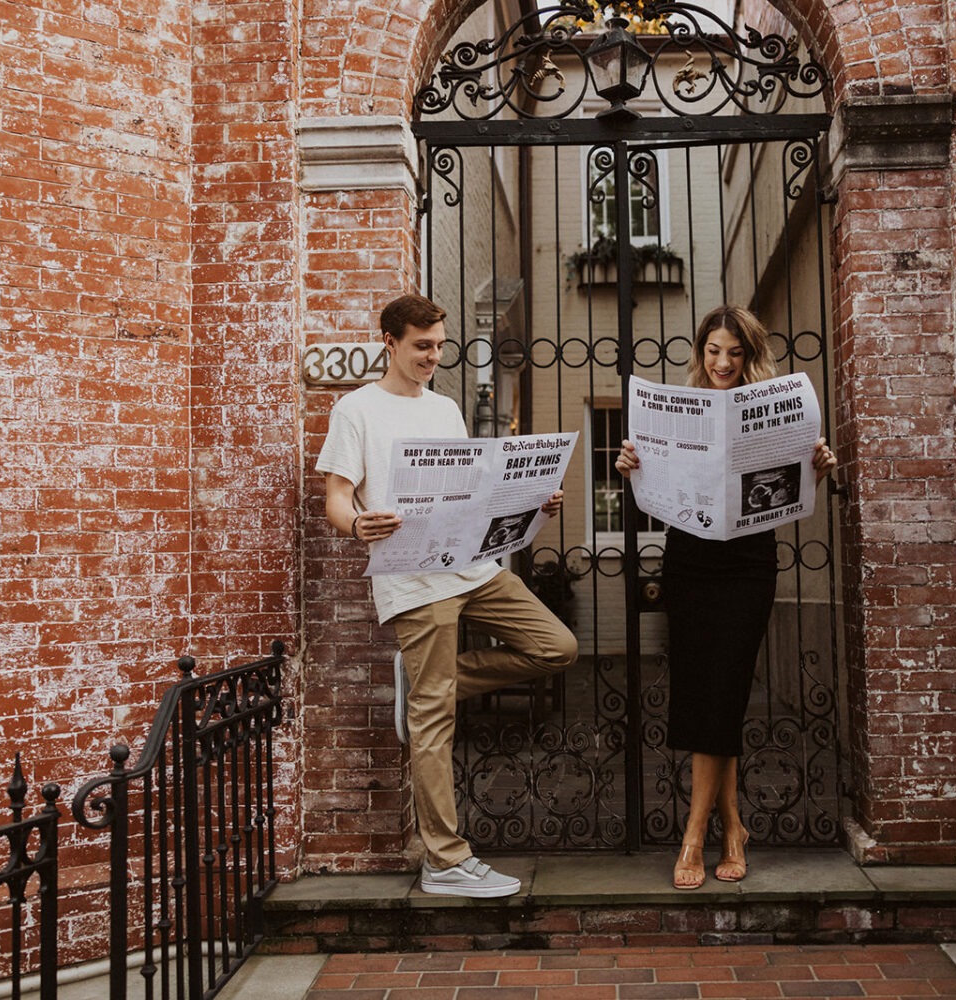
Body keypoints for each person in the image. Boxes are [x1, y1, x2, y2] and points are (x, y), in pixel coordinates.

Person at [317, 293, 578, 898]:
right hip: (412, 577)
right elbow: (335, 497)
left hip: (474, 567)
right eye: (422, 346)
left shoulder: (446, 410)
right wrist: (356, 524)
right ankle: (445, 861)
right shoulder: (357, 411)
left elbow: (471, 496)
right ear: (390, 341)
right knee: (436, 720)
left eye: (439, 346)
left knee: (556, 648)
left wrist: (529, 503)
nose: (434, 356)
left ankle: (425, 684)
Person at [615, 305, 835, 890]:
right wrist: (630, 467)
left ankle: (693, 833)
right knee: (707, 695)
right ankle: (733, 827)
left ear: (749, 355)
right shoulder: (680, 408)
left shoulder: (772, 409)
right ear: (701, 352)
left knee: (726, 688)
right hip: (690, 561)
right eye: (714, 350)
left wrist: (819, 466)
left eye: (734, 353)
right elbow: (650, 494)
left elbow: (796, 486)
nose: (722, 362)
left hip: (746, 566)